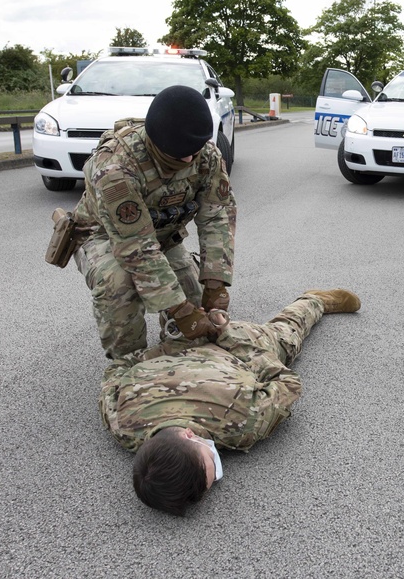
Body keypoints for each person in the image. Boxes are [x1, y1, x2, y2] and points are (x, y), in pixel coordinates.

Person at [99, 288, 362, 516]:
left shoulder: (240, 425)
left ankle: (314, 300)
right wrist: (163, 352)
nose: (217, 469)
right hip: (179, 338)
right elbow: (116, 370)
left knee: (286, 334)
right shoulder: (125, 424)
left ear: (191, 436)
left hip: (235, 344)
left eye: (210, 465)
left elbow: (287, 384)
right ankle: (184, 312)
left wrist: (232, 343)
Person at [71, 85, 237, 358]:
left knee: (194, 305)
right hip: (104, 237)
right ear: (157, 141)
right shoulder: (116, 167)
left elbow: (217, 217)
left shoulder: (205, 155)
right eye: (179, 153)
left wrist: (216, 284)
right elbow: (136, 246)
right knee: (120, 285)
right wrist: (177, 308)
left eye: (193, 151)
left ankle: (177, 358)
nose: (188, 159)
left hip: (162, 236)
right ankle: (126, 367)